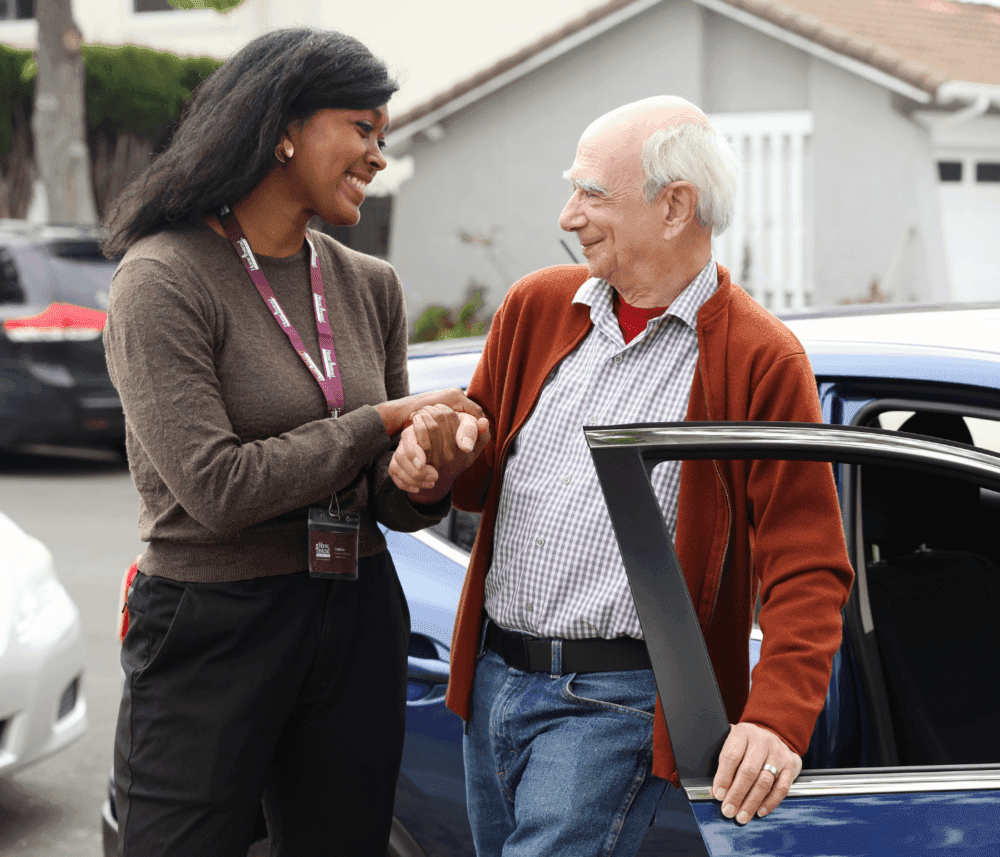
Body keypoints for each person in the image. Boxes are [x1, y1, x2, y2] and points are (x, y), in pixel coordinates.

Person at [389, 96, 854, 857]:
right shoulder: (536, 306)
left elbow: (808, 567)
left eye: (592, 193)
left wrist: (776, 718)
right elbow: (478, 465)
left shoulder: (760, 359)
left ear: (675, 207)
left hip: (616, 702)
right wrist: (441, 458)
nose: (569, 215)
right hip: (493, 682)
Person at [101, 28, 488, 857]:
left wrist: (427, 468)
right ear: (283, 127)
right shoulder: (162, 277)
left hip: (354, 612)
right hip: (213, 622)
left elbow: (384, 492)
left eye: (383, 136)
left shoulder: (368, 283)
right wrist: (377, 422)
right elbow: (217, 488)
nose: (378, 155)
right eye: (361, 128)